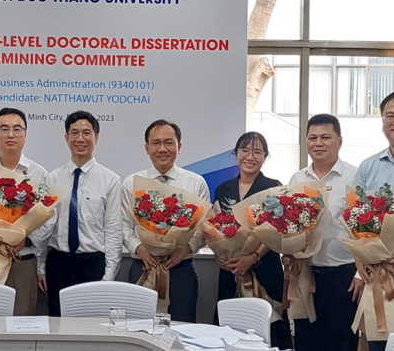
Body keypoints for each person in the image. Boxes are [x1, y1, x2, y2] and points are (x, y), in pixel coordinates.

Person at [122, 119, 209, 323]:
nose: (163, 149)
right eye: (156, 143)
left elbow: (203, 228)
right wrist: (139, 249)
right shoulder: (132, 182)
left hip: (181, 269)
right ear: (147, 148)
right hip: (144, 266)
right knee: (139, 327)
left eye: (169, 143)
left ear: (179, 146)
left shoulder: (196, 182)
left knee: (183, 328)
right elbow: (122, 226)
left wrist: (186, 249)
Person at [212, 132, 293, 350]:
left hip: (265, 268)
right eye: (245, 150)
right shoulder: (223, 189)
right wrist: (221, 255)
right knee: (229, 330)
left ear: (265, 156)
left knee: (270, 328)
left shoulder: (273, 187)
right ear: (236, 153)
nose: (250, 156)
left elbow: (277, 228)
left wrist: (254, 256)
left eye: (257, 152)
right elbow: (215, 226)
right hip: (231, 270)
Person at [38, 110, 122, 317]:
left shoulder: (110, 180)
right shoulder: (52, 178)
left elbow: (113, 230)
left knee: (91, 327)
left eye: (86, 133)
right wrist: (41, 267)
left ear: (96, 138)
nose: (80, 139)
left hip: (93, 264)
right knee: (57, 325)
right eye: (74, 133)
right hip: (58, 263)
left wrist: (108, 276)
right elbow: (44, 226)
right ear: (66, 138)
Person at [290, 114, 361, 351]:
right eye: (313, 138)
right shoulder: (297, 178)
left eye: (325, 137)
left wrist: (360, 275)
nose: (318, 143)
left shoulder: (355, 177)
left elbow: (366, 229)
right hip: (305, 272)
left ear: (339, 141)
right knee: (306, 341)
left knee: (341, 342)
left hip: (343, 275)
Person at [0, 108, 49, 316]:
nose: (11, 134)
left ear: (25, 135)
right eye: (4, 129)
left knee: (21, 323)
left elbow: (49, 219)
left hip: (22, 261)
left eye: (17, 129)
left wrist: (26, 240)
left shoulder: (39, 173)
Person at [353, 92, 394, 351]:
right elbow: (354, 217)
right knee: (381, 342)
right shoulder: (368, 167)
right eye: (390, 116)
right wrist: (359, 258)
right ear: (382, 123)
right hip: (379, 273)